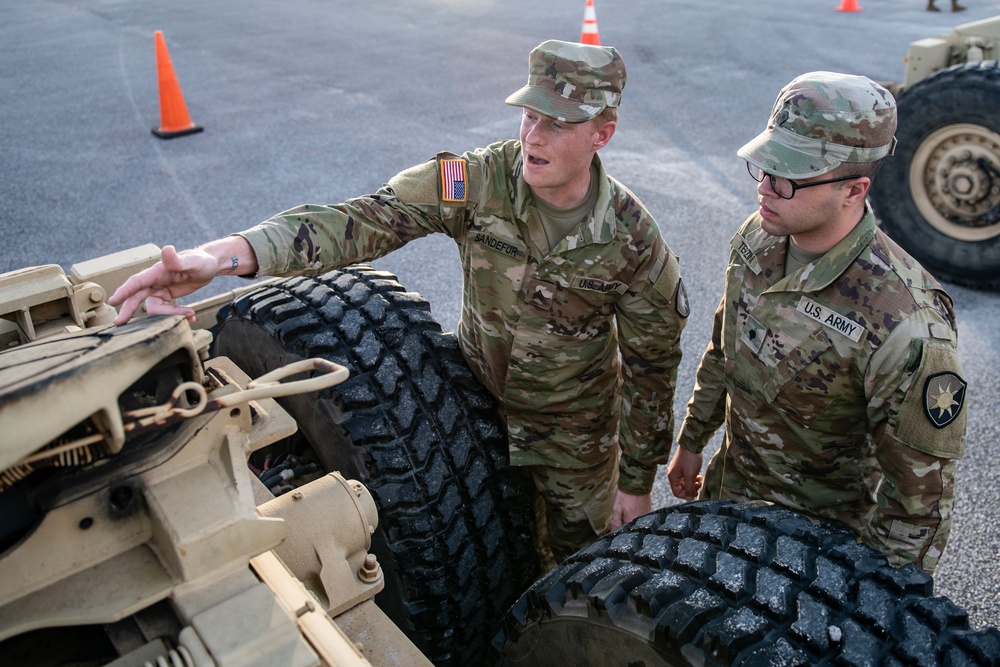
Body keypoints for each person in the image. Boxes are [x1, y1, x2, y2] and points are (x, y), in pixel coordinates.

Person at [109, 40, 689, 567]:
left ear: (601, 133)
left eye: (558, 123)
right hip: (476, 414)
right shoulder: (476, 180)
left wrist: (635, 481)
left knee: (574, 565)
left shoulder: (631, 240)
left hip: (575, 440)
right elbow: (362, 219)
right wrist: (225, 256)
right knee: (489, 558)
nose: (533, 136)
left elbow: (652, 367)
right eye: (529, 115)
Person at [666, 71, 966, 575]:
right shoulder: (758, 240)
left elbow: (916, 503)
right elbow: (724, 347)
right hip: (727, 500)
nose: (764, 188)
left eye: (787, 176)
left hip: (818, 554)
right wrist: (693, 441)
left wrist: (877, 607)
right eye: (762, 166)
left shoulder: (905, 324)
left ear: (854, 190)